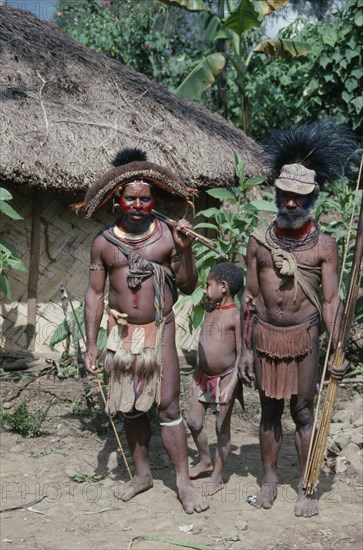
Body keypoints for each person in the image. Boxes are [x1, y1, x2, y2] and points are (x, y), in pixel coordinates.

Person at [74, 147, 208, 514]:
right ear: (118, 200)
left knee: (167, 405)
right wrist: (91, 342)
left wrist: (186, 251)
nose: (137, 205)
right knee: (130, 407)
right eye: (130, 198)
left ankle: (182, 483)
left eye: (144, 199)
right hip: (121, 332)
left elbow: (188, 286)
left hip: (159, 328)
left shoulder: (167, 235)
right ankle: (143, 474)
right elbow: (95, 294)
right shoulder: (103, 243)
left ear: (153, 200)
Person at [238, 121, 355, 518]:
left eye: (299, 198)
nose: (290, 204)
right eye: (285, 196)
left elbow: (332, 299)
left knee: (303, 412)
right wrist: (242, 350)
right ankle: (269, 481)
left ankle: (307, 487)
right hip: (265, 336)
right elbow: (250, 298)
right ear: (276, 195)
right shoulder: (258, 240)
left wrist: (338, 344)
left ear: (312, 199)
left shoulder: (324, 246)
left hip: (304, 338)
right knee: (269, 411)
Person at [187, 262, 244, 496]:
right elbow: (204, 345)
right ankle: (204, 459)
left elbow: (241, 355)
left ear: (223, 287)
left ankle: (217, 476)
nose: (205, 289)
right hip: (203, 377)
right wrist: (195, 377)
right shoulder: (210, 311)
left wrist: (232, 385)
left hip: (225, 377)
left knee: (222, 426)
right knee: (193, 421)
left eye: (208, 285)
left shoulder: (235, 316)